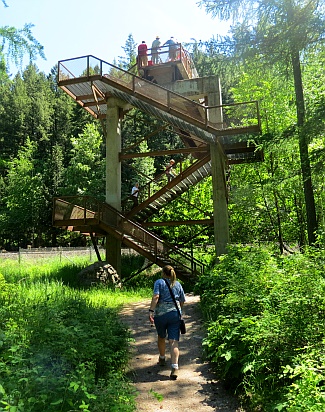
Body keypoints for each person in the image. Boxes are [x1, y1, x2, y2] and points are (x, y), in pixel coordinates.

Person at [148, 265, 186, 380]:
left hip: (161, 315)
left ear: (163, 273)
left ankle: (162, 358)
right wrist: (178, 310)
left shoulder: (159, 282)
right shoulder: (177, 284)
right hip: (175, 315)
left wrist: (151, 311)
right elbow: (182, 300)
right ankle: (174, 367)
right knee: (173, 340)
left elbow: (156, 297)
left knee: (161, 336)